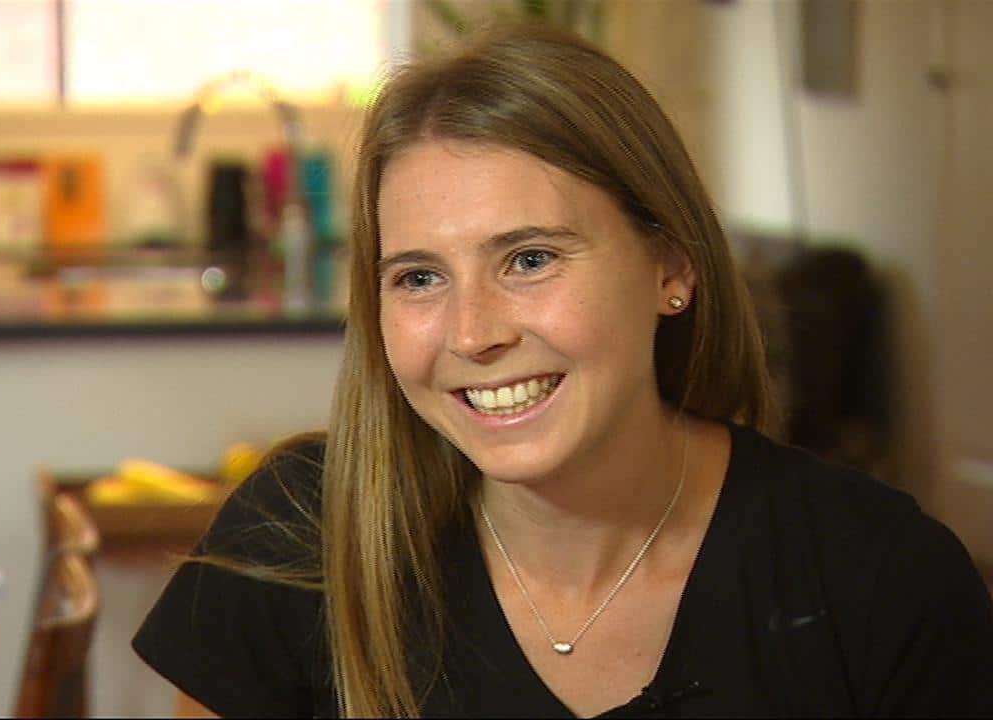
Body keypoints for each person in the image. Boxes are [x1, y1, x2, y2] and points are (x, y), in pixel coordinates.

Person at [133, 23, 993, 717]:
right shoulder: (296, 542)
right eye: (420, 277)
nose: (473, 334)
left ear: (672, 267)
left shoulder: (881, 579)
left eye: (531, 259)